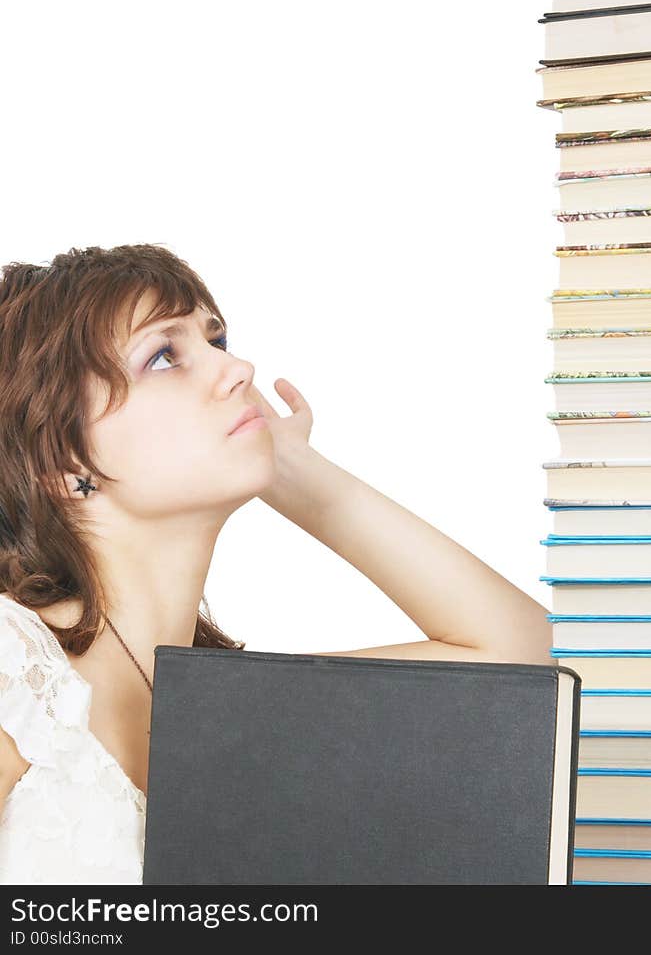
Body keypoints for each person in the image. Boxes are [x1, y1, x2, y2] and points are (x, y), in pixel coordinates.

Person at [0, 243, 552, 884]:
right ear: (61, 463)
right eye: (163, 356)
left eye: (217, 339)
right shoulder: (14, 674)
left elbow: (526, 667)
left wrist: (293, 471)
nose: (238, 367)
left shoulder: (235, 704)